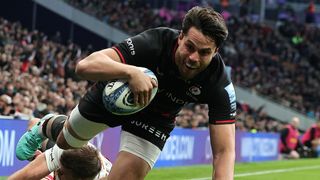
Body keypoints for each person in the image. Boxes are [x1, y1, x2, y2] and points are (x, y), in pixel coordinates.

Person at [16, 6, 236, 180]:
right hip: (114, 96)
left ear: (216, 51)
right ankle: (47, 124)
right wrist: (131, 72)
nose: (193, 58)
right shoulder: (155, 42)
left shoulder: (219, 84)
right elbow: (84, 66)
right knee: (66, 143)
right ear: (180, 37)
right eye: (189, 46)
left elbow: (224, 152)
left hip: (156, 119)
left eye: (204, 52)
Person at [10, 116, 112, 180]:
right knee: (23, 150)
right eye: (59, 168)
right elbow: (22, 177)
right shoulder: (64, 153)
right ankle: (47, 126)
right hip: (71, 148)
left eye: (62, 172)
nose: (58, 171)